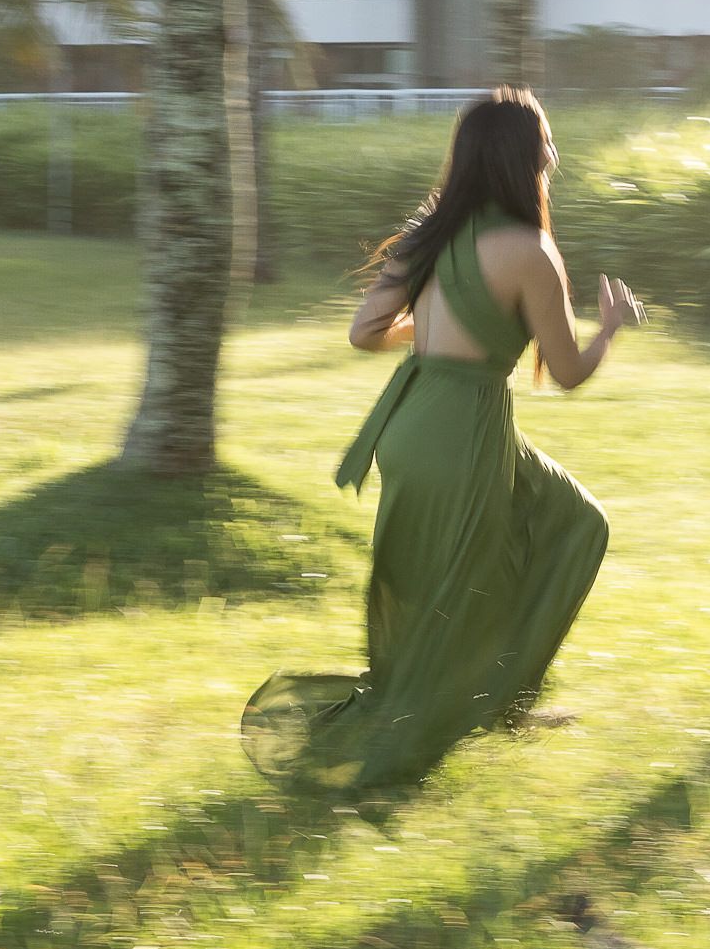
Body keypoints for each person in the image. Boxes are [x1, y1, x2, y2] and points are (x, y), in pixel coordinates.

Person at [242, 87, 644, 795]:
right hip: (464, 430)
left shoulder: (430, 232)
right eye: (546, 141)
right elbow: (571, 372)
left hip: (413, 420)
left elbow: (364, 331)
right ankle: (412, 741)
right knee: (453, 595)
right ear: (526, 157)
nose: (554, 152)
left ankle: (504, 700)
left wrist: (435, 335)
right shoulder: (530, 251)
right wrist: (609, 326)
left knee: (569, 519)